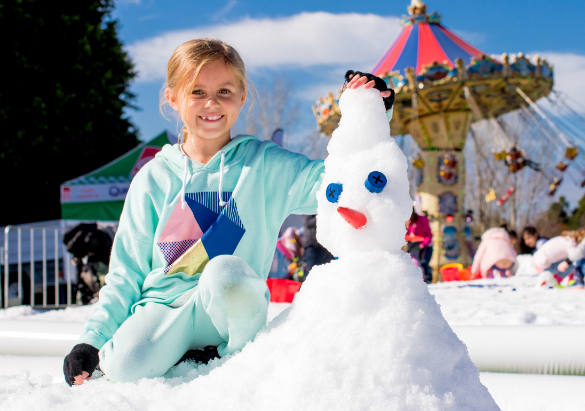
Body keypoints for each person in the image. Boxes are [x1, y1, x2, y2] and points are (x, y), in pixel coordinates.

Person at [62, 38, 395, 386]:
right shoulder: (152, 179)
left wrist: (367, 114)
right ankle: (172, 357)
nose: (211, 103)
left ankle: (226, 360)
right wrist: (92, 340)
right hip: (162, 311)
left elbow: (338, 181)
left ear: (242, 96)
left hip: (230, 308)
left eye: (224, 90)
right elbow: (125, 273)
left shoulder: (265, 165)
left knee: (225, 271)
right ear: (172, 97)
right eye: (196, 92)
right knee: (123, 367)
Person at [406, 207, 433, 282]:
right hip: (413, 247)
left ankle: (427, 278)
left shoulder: (422, 219)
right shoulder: (408, 222)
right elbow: (408, 235)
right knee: (414, 263)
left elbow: (429, 235)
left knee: (424, 262)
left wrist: (423, 245)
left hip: (425, 246)